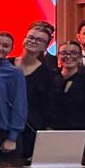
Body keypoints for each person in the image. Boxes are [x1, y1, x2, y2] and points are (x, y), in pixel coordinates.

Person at [46, 40, 85, 156]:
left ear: (80, 57)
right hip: (51, 137)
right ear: (58, 56)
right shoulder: (48, 82)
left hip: (81, 140)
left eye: (73, 53)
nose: (68, 56)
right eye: (64, 53)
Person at [17, 21, 59, 159]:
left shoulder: (48, 74)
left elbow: (49, 108)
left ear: (45, 46)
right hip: (2, 127)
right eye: (30, 37)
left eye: (39, 40)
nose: (33, 41)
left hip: (31, 130)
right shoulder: (7, 65)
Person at [0, 31, 28, 159]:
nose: (0, 48)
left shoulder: (14, 73)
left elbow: (19, 105)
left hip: (4, 134)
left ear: (11, 49)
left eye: (5, 46)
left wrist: (12, 137)